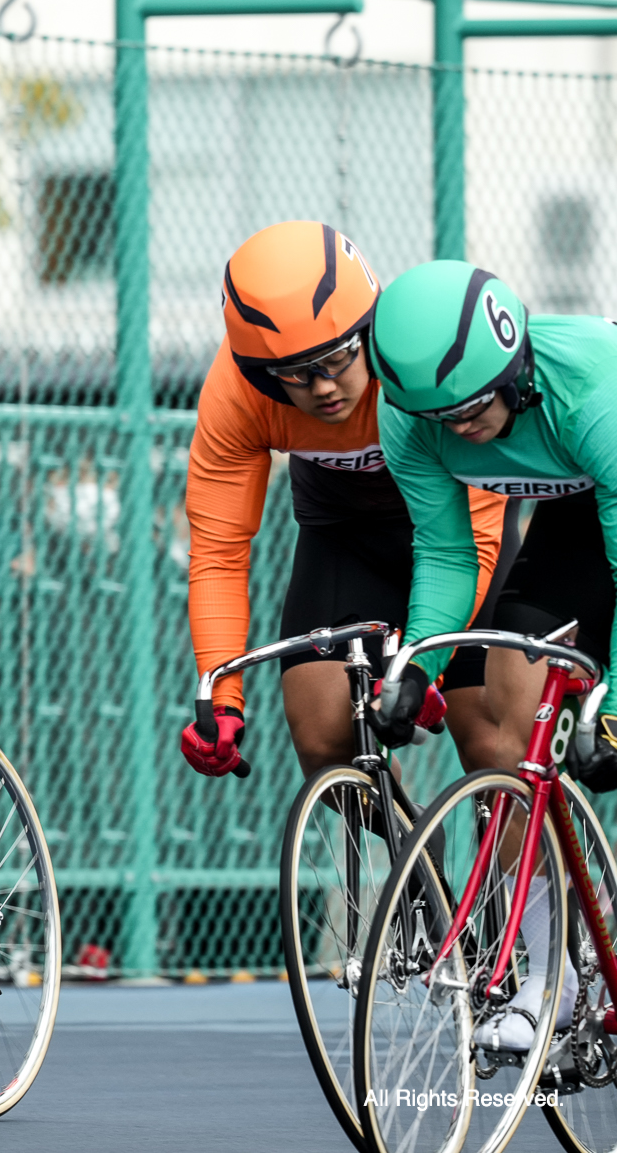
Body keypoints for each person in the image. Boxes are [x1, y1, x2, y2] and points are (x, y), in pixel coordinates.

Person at [371, 260, 617, 1051]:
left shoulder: (587, 397)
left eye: (473, 406)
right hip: (573, 507)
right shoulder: (411, 415)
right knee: (517, 730)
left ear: (515, 369)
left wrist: (611, 707)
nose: (458, 426)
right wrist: (417, 664)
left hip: (602, 458)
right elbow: (445, 552)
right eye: (437, 415)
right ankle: (549, 980)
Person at [180, 222, 510, 782]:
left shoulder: (421, 352)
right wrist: (221, 694)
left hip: (456, 538)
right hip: (343, 538)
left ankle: (537, 873)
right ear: (260, 376)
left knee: (491, 743)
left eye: (337, 357)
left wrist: (422, 664)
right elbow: (218, 552)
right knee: (324, 743)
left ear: (369, 328)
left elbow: (471, 540)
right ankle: (414, 863)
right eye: (296, 375)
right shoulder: (236, 396)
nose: (324, 386)